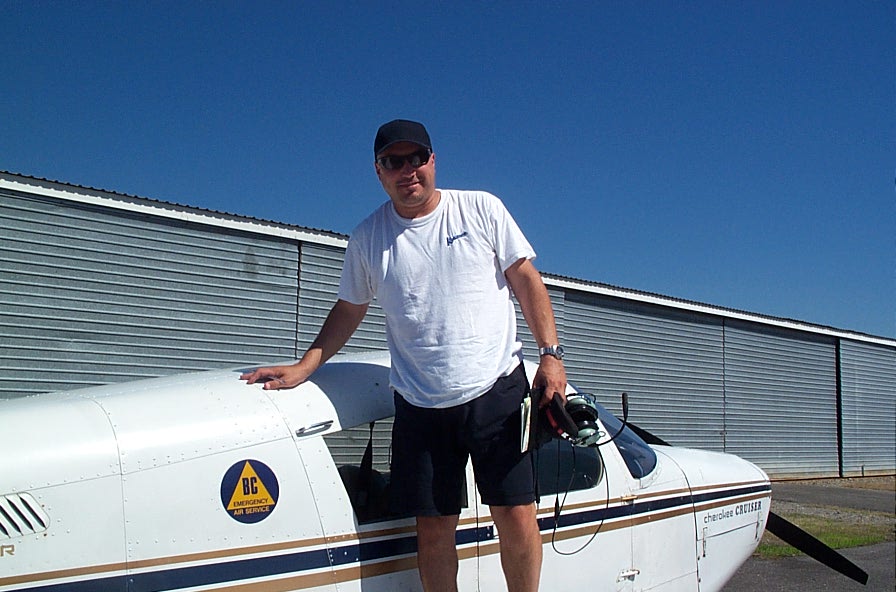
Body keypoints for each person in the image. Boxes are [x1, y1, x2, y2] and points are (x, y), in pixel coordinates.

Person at [240, 119, 567, 592]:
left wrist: (551, 357)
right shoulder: (368, 238)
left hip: (497, 388)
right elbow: (350, 308)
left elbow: (526, 279)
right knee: (433, 529)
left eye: (416, 158)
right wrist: (307, 365)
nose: (407, 170)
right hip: (420, 403)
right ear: (378, 171)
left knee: (515, 514)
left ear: (433, 162)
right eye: (394, 161)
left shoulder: (481, 209)